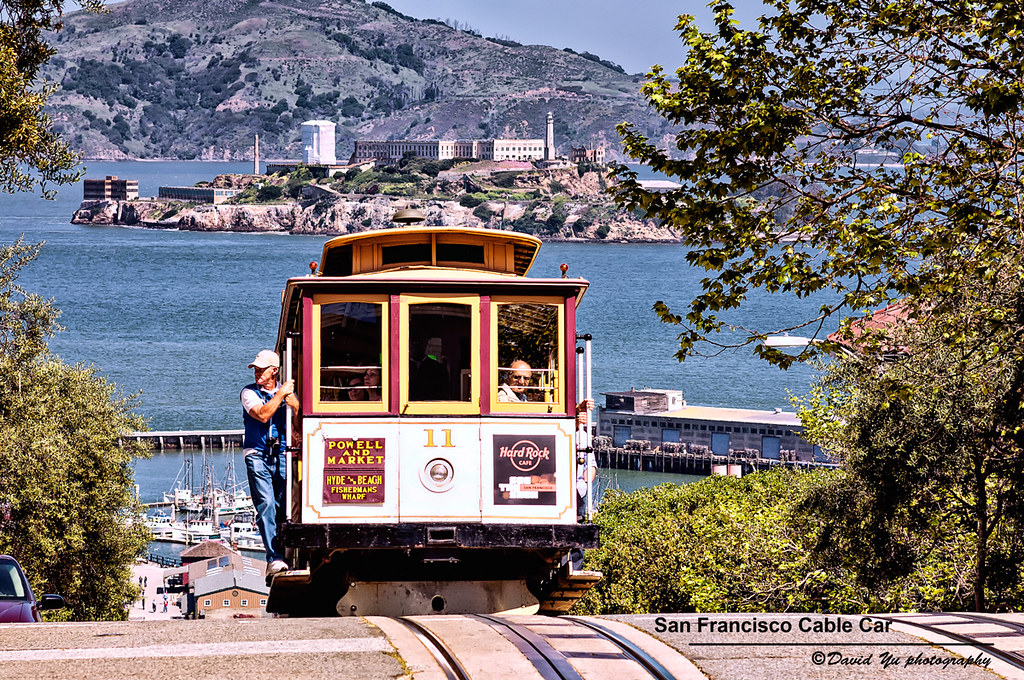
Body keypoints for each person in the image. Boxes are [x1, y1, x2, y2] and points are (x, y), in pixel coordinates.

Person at [241, 349, 300, 577]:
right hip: (257, 453)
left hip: (283, 453)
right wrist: (281, 394)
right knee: (265, 503)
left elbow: (298, 424)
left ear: (274, 370)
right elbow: (263, 415)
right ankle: (274, 558)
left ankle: (286, 555)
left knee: (285, 506)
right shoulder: (248, 393)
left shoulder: (288, 395)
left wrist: (294, 407)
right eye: (255, 369)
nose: (257, 373)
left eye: (261, 369)